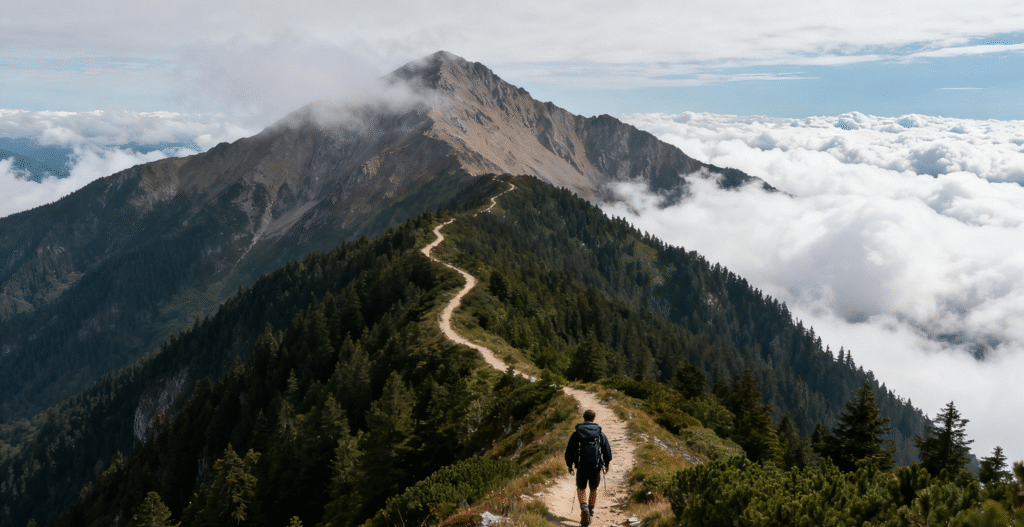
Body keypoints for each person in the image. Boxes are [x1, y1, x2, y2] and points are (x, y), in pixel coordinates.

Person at [564, 409, 612, 527]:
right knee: (593, 489)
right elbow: (606, 450)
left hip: (581, 466)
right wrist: (606, 464)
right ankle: (590, 511)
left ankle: (584, 507)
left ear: (583, 417)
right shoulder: (599, 433)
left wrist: (569, 465)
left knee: (581, 488)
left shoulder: (577, 433)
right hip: (596, 466)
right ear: (593, 418)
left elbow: (569, 451)